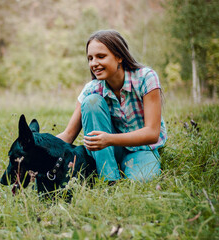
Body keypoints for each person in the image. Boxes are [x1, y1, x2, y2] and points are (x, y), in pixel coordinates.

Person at [56, 30, 167, 182]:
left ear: (119, 56)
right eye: (90, 58)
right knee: (91, 102)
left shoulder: (146, 78)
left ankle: (129, 167)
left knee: (141, 181)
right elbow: (68, 135)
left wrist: (109, 139)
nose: (94, 63)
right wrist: (36, 146)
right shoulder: (91, 88)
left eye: (101, 56)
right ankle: (108, 178)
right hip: (109, 151)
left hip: (142, 148)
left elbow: (152, 133)